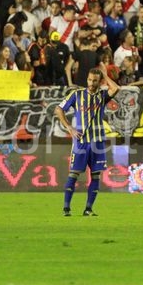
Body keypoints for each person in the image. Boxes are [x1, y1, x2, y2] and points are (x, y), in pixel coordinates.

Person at [55, 67, 120, 217]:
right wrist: (69, 128)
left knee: (96, 176)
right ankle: (66, 208)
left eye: (95, 80)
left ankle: (88, 209)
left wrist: (104, 74)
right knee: (74, 174)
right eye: (90, 80)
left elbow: (116, 88)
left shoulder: (103, 96)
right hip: (81, 141)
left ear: (100, 81)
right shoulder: (77, 95)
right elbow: (59, 109)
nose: (91, 83)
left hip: (97, 142)